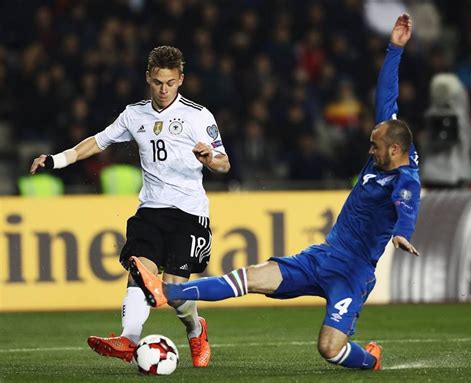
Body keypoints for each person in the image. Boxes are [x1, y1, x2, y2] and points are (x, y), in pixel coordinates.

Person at [128, 14, 420, 371]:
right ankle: (167, 292)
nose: (369, 150)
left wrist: (403, 234)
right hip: (323, 257)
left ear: (393, 150)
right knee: (251, 277)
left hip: (353, 274)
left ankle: (368, 360)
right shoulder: (387, 141)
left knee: (330, 349)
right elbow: (387, 94)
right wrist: (395, 49)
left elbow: (407, 204)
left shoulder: (407, 179)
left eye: (375, 147)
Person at [30, 46, 231, 367]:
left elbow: (224, 163)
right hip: (150, 209)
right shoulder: (134, 114)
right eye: (157, 83)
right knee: (138, 270)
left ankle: (196, 328)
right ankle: (129, 339)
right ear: (148, 79)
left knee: (177, 295)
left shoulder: (198, 115)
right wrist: (56, 159)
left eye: (170, 83)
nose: (163, 90)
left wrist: (210, 159)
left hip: (189, 212)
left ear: (181, 79)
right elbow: (97, 141)